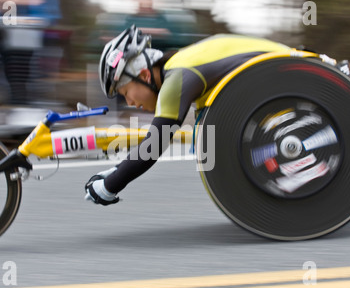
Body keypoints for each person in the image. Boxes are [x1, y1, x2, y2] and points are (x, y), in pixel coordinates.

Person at [85, 25, 290, 206]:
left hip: (288, 72)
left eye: (125, 93)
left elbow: (153, 146)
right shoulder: (181, 66)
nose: (129, 103)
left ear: (145, 75)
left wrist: (110, 186)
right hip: (276, 74)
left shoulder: (176, 78)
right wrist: (117, 169)